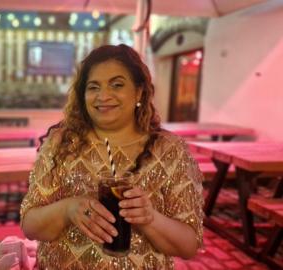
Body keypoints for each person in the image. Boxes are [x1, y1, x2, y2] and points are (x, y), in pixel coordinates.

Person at [20, 44, 204, 269]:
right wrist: (68, 209)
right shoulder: (61, 143)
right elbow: (30, 225)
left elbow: (188, 246)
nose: (103, 96)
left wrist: (150, 218)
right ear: (83, 95)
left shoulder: (169, 150)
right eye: (93, 87)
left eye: (117, 85)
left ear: (138, 92)